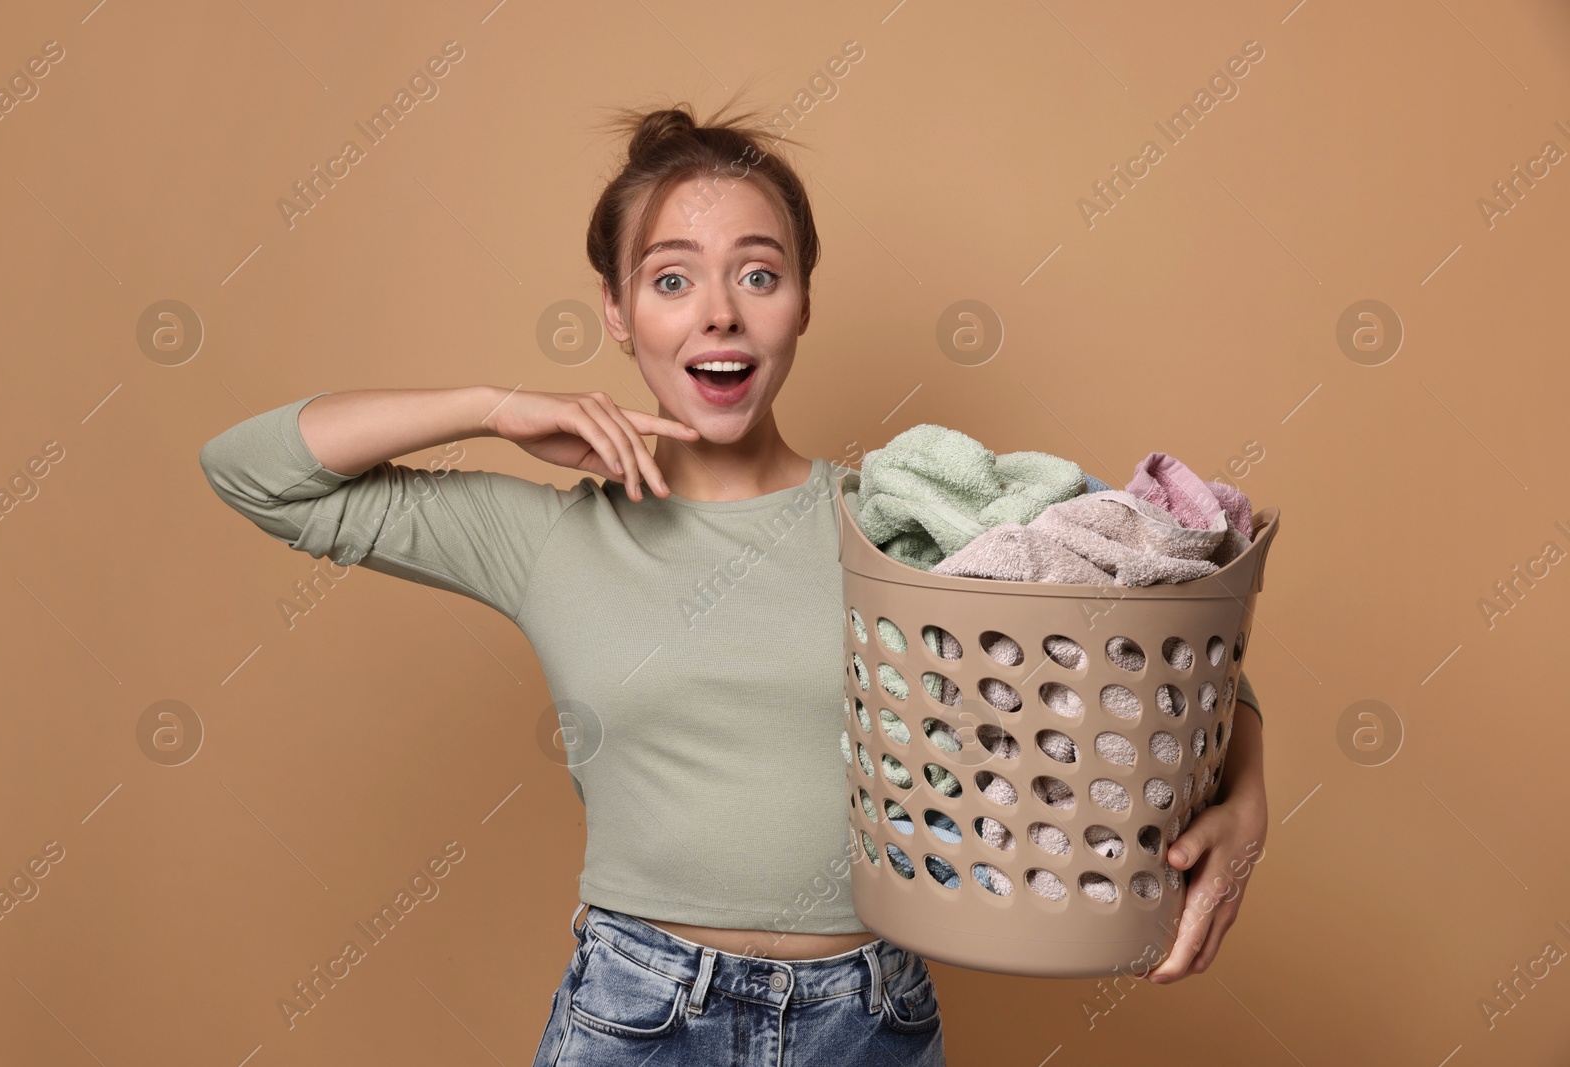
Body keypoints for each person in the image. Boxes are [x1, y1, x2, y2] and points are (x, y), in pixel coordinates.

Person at [199, 97, 1267, 1066]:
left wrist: (1247, 793)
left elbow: (1148, 631)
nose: (719, 312)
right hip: (640, 1012)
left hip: (872, 1019)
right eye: (670, 279)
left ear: (801, 303)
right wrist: (494, 404)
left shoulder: (899, 518)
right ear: (616, 313)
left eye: (758, 273)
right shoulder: (545, 539)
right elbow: (257, 471)